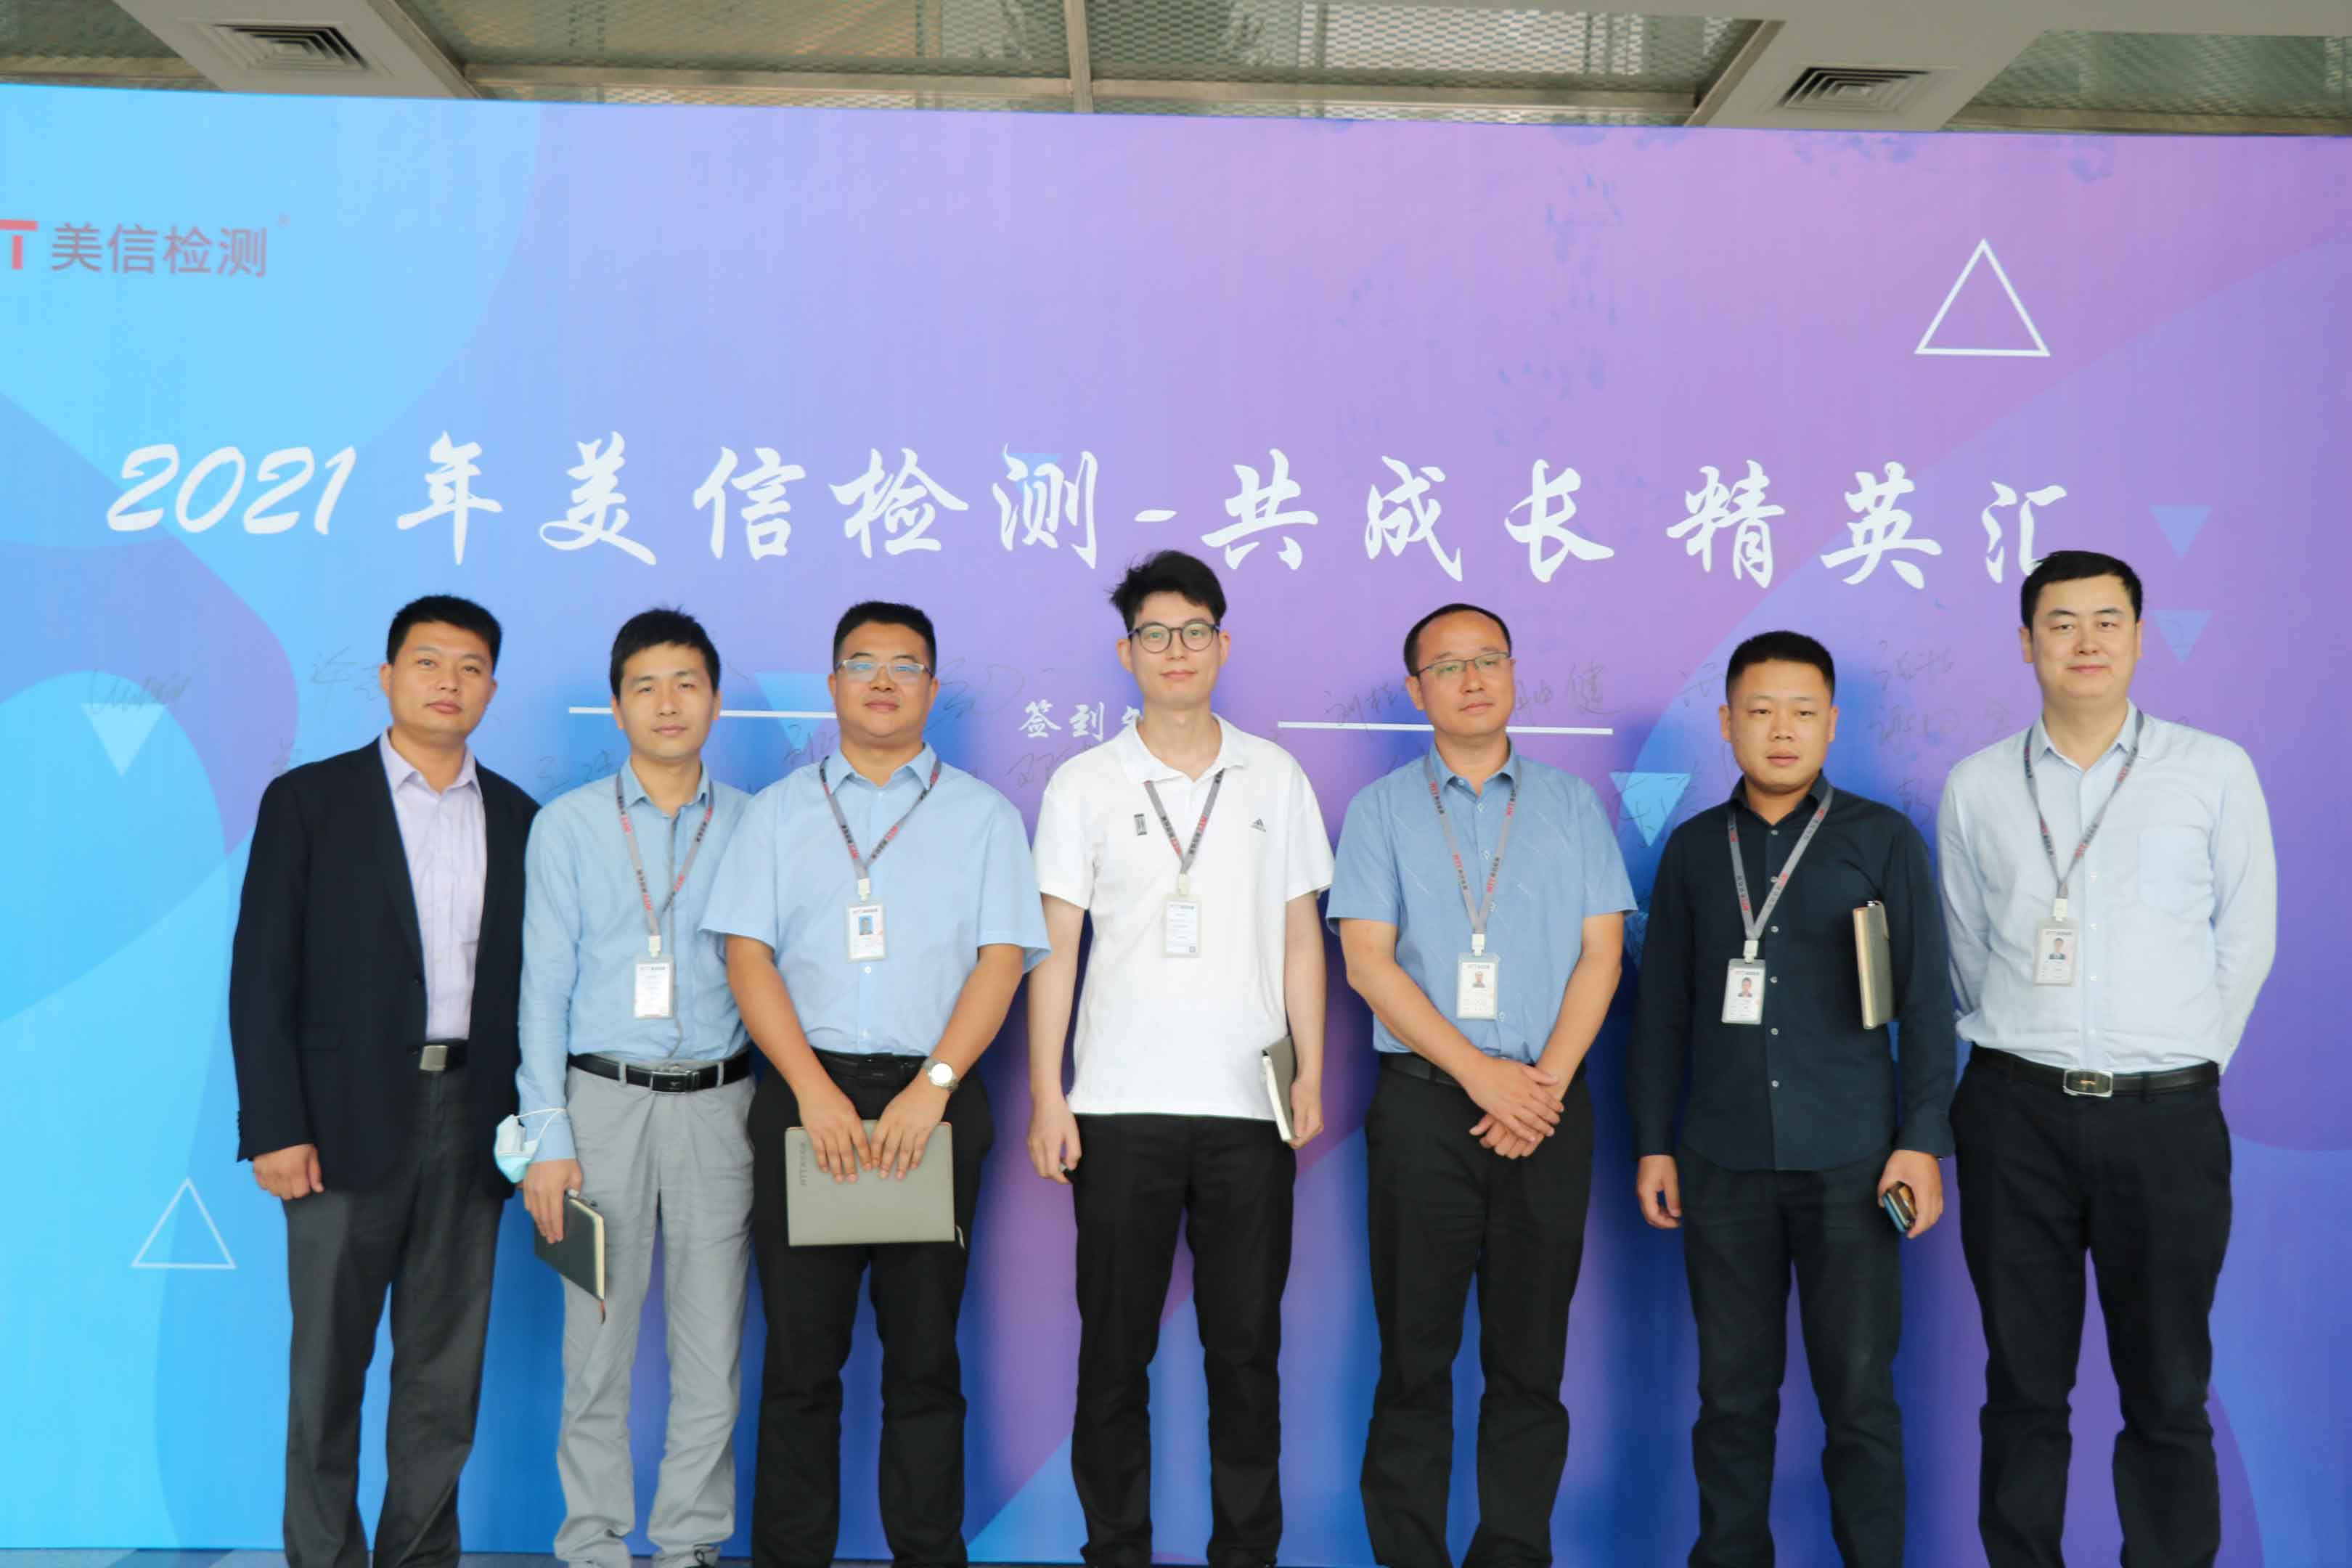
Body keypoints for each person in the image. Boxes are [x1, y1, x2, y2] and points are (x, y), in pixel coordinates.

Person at [1937, 550, 2275, 1568]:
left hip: (2166, 1121)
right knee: (2022, 1385)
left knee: (2168, 1386)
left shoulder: (2213, 770)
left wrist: (2182, 1061)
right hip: (2015, 1115)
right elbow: (1967, 950)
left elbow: (2246, 939)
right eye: (2061, 623)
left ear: (2138, 634)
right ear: (2026, 642)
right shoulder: (1978, 784)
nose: (2085, 642)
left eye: (2107, 621)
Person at [702, 600, 1049, 1568]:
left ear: (932, 688)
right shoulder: (778, 813)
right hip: (803, 1098)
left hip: (931, 1103)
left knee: (925, 1359)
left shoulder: (984, 817)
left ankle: (927, 1553)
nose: (884, 681)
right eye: (863, 663)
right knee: (800, 1364)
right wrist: (811, 1090)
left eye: (905, 665)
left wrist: (933, 1086)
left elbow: (1001, 961)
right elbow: (746, 957)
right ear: (833, 685)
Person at [1025, 548, 1332, 1568]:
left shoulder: (1273, 775)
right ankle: (1115, 1548)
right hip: (1118, 1109)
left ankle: (1248, 1551)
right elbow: (1054, 949)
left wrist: (1311, 1072)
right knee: (1115, 1354)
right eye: (1154, 634)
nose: (1175, 650)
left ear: (1222, 645)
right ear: (1127, 653)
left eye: (1194, 631)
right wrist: (1049, 1095)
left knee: (1246, 1353)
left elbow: (1300, 938)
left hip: (1250, 1107)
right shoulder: (1084, 784)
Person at [1626, 629, 1955, 1568]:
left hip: (1856, 1164)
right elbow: (1662, 1014)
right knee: (1732, 1400)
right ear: (1726, 723)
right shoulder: (1695, 850)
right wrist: (1654, 1142)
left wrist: (1921, 1140)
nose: (1782, 730)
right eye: (1761, 711)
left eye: (1803, 712)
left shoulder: (1882, 840)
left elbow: (1927, 1003)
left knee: (1860, 1399)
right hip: (1722, 1164)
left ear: (1832, 723)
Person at [230, 593, 537, 1568]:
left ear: (492, 687)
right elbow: (261, 974)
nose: (450, 682)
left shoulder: (521, 818)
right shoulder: (310, 801)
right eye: (428, 662)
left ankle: (420, 1558)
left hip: (476, 1118)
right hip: (339, 1124)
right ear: (388, 676)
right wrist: (275, 1125)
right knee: (328, 1372)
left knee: (444, 1379)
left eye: (471, 666)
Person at [1327, 603, 1633, 1568]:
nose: (1472, 679)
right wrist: (1481, 1078)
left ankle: (1513, 1553)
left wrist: (1539, 1088)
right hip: (1426, 1109)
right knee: (1414, 1362)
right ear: (1415, 691)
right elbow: (1368, 962)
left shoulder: (1571, 805)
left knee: (1530, 1365)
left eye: (1489, 659)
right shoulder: (1379, 812)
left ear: (1514, 673)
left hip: (1548, 1108)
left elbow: (1602, 954)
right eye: (1448, 665)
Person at [515, 608, 754, 1568]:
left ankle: (689, 1544)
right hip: (599, 1109)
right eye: (645, 686)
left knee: (712, 1348)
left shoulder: (757, 823)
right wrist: (547, 1137)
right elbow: (542, 991)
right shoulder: (568, 826)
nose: (667, 703)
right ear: (616, 706)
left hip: (723, 1107)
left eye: (686, 683)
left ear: (715, 701)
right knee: (596, 1345)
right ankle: (593, 1544)